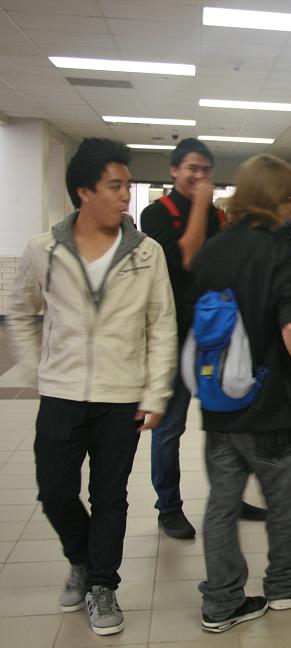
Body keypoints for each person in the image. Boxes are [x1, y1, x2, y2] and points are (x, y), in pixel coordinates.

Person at [8, 138, 177, 636]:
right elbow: (21, 312)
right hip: (61, 393)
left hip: (121, 395)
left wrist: (155, 394)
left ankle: (102, 584)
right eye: (115, 185)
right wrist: (39, 365)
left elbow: (162, 325)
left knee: (110, 496)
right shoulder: (45, 249)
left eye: (127, 185)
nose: (126, 195)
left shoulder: (148, 253)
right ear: (84, 191)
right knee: (54, 491)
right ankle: (82, 560)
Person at [189, 154, 291, 633]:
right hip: (271, 400)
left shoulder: (212, 250)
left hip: (219, 401)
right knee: (287, 501)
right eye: (290, 199)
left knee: (221, 505)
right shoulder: (280, 248)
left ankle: (222, 601)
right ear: (277, 199)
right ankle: (287, 585)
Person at [141, 138, 265, 539]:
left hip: (215, 330)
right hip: (172, 333)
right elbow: (188, 259)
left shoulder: (217, 216)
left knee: (226, 420)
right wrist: (201, 207)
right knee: (170, 426)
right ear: (174, 171)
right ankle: (169, 507)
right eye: (192, 168)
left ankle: (230, 495)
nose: (198, 177)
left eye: (206, 170)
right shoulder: (154, 213)